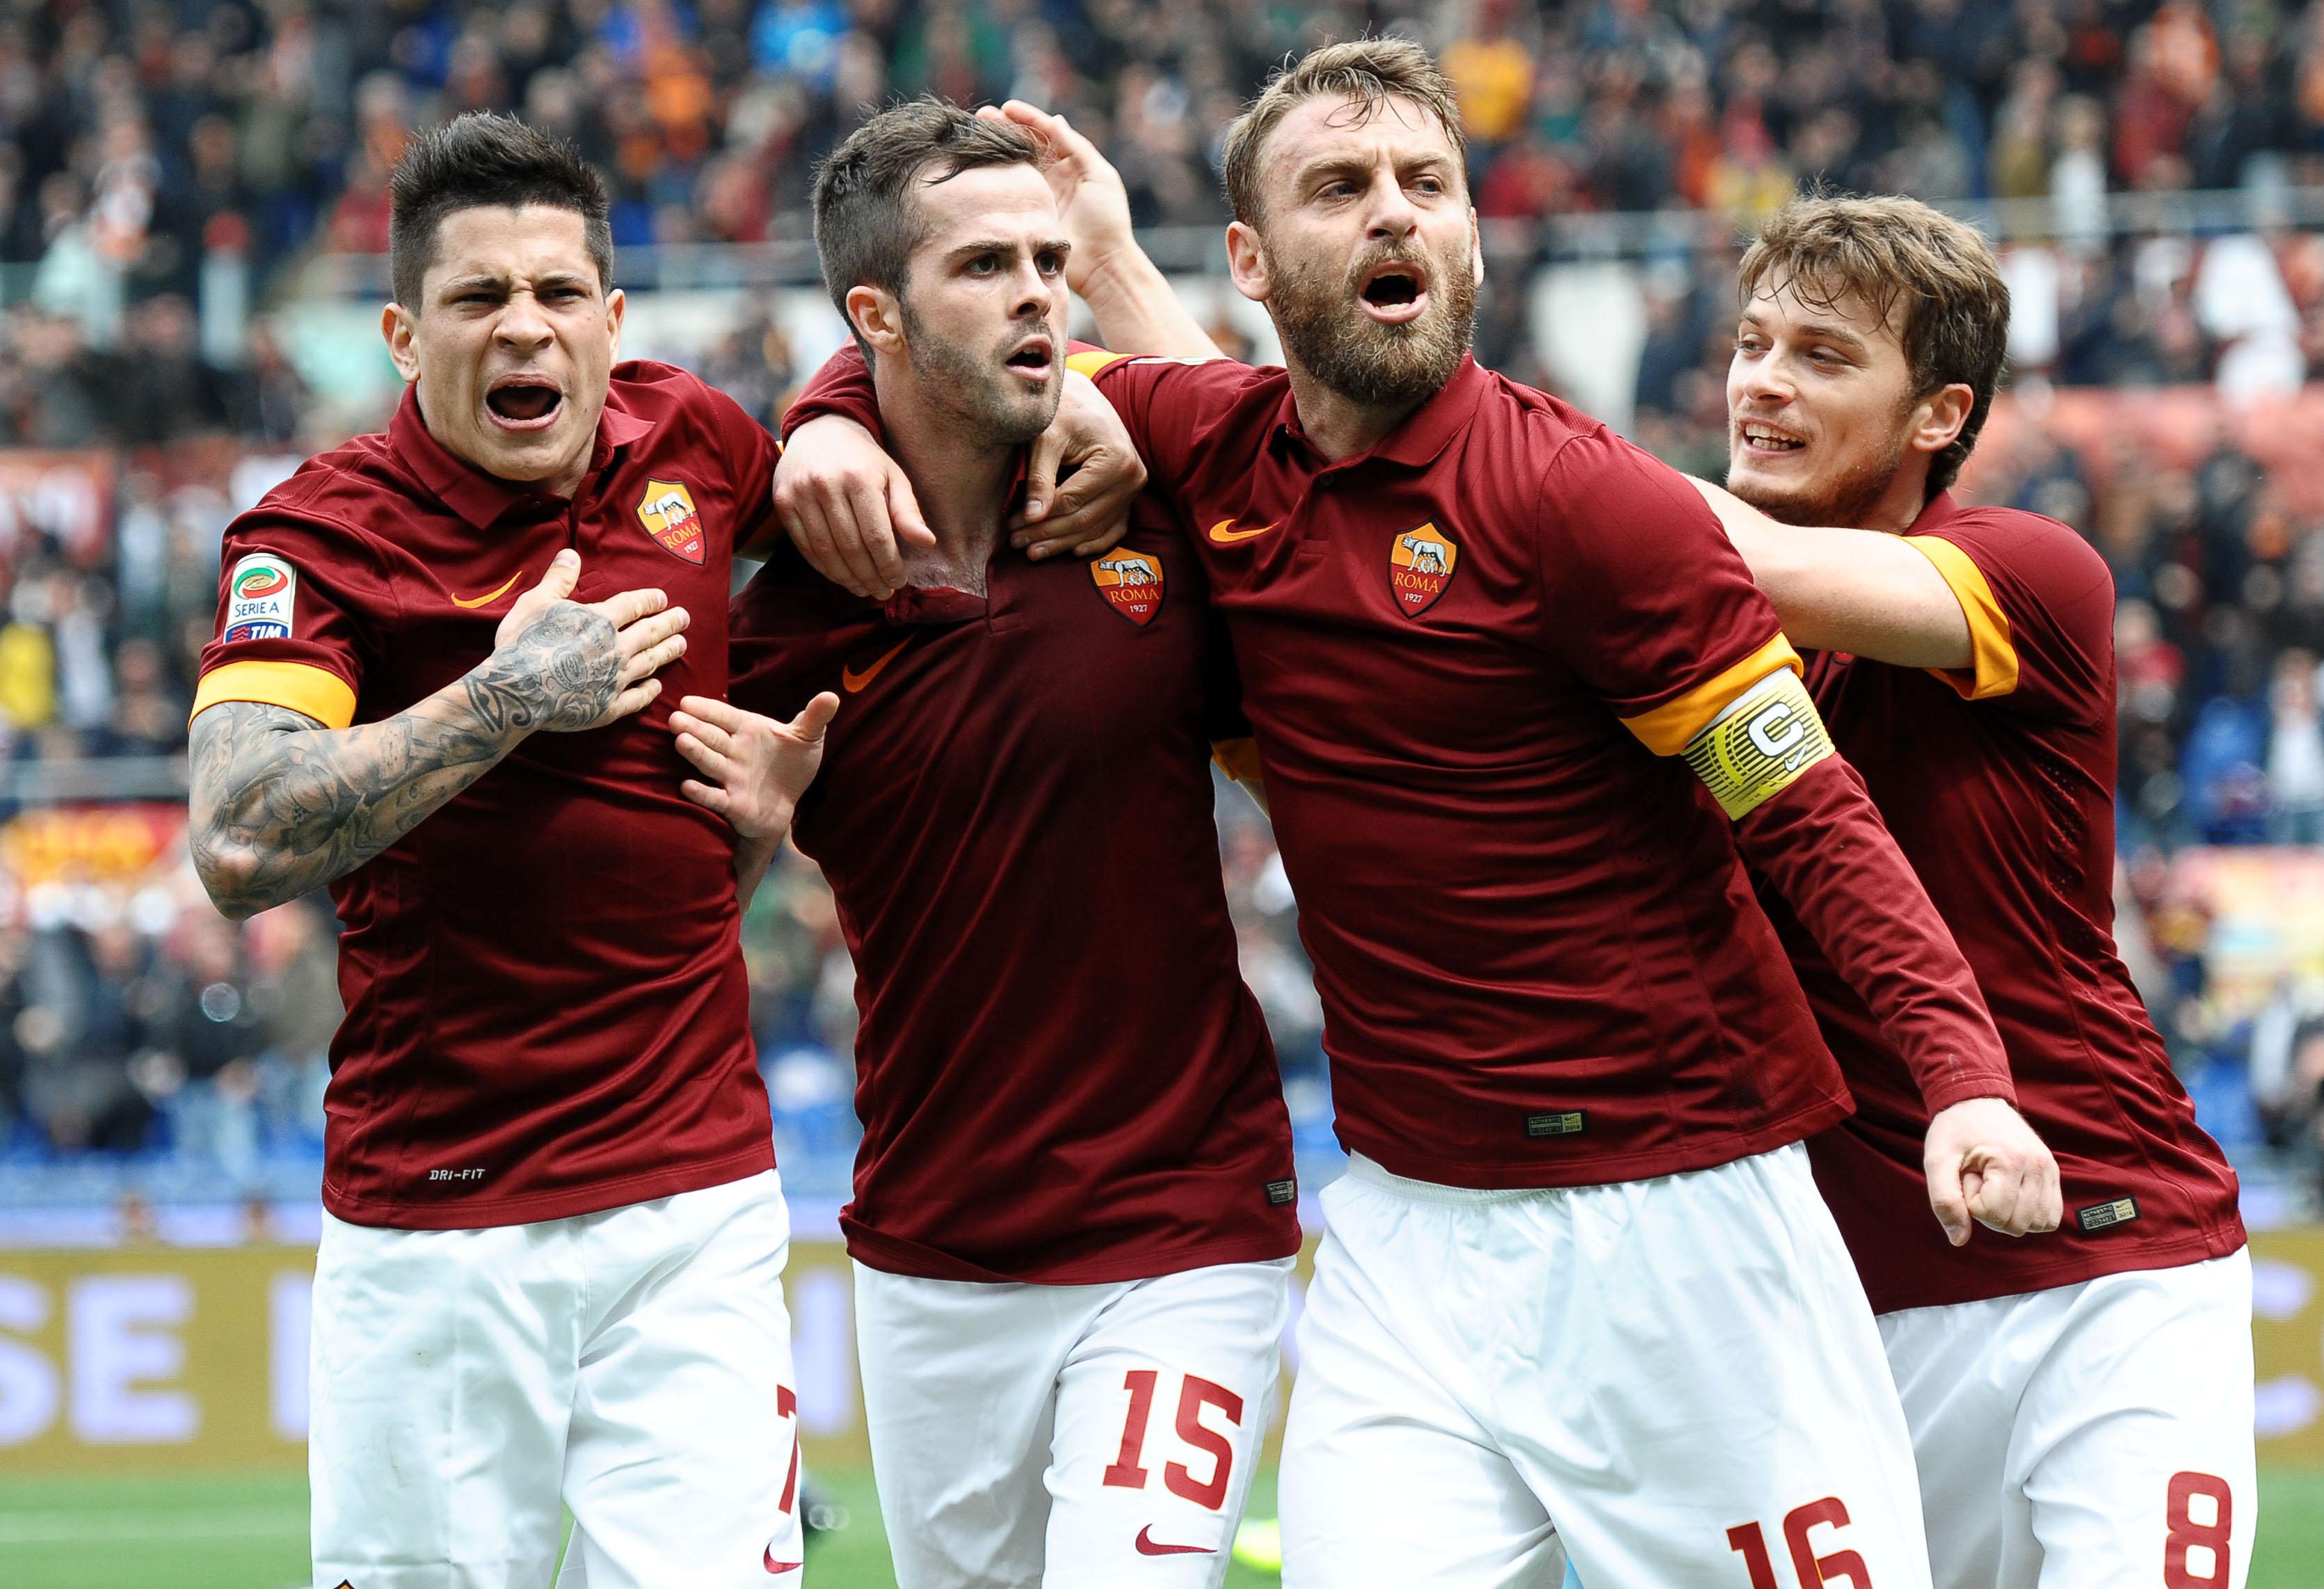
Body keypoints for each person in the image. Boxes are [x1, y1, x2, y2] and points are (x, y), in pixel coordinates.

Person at [778, 41, 2063, 1589]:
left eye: (1427, 184)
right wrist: (825, 419)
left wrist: (1964, 1077)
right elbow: (950, 364)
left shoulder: (1587, 501)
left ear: (1470, 234)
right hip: (1406, 1239)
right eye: (1341, 187)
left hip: (1682, 1213)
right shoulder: (1211, 447)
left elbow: (1805, 809)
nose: (1396, 213)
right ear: (1251, 262)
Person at [184, 113, 819, 1589]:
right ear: (404, 336)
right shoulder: (319, 537)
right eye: (478, 297)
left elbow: (863, 527)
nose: (523, 326)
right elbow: (237, 831)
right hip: (441, 1223)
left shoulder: (690, 439)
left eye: (556, 293)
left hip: (697, 1202)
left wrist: (778, 806)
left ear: (613, 320)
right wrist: (503, 697)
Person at [679, 99, 1299, 1588]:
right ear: (875, 316)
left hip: (1188, 1225)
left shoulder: (1145, 517)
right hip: (933, 1250)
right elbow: (664, 941)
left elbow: (1311, 503)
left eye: (1047, 261)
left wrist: (1115, 314)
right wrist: (748, 837)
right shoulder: (782, 621)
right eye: (984, 266)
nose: (1035, 292)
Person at [1691, 195, 2254, 1589]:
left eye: (1822, 356)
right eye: (1752, 344)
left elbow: (1746, 563)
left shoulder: (2034, 573)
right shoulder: (1693, 665)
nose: (1763, 383)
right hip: (1844, 1320)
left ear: (1939, 414)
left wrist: (1479, 446)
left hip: (2109, 1267)